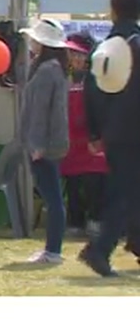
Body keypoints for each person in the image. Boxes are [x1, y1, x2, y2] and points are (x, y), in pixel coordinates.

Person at [81, 0, 140, 276]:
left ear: (114, 11)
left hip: (114, 132)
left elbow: (91, 90)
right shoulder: (137, 44)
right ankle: (99, 249)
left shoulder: (104, 47)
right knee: (126, 194)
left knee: (128, 190)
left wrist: (95, 132)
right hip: (135, 131)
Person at [16, 18, 71, 264]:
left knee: (53, 198)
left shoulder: (47, 70)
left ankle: (53, 251)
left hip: (44, 144)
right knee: (53, 196)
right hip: (50, 142)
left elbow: (41, 110)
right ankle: (52, 249)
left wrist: (37, 144)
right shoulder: (53, 67)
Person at [61, 33, 106, 238]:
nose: (75, 58)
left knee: (93, 183)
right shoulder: (64, 77)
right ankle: (75, 221)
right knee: (72, 183)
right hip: (70, 142)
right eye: (72, 53)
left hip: (91, 141)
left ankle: (96, 220)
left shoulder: (97, 78)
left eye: (79, 54)